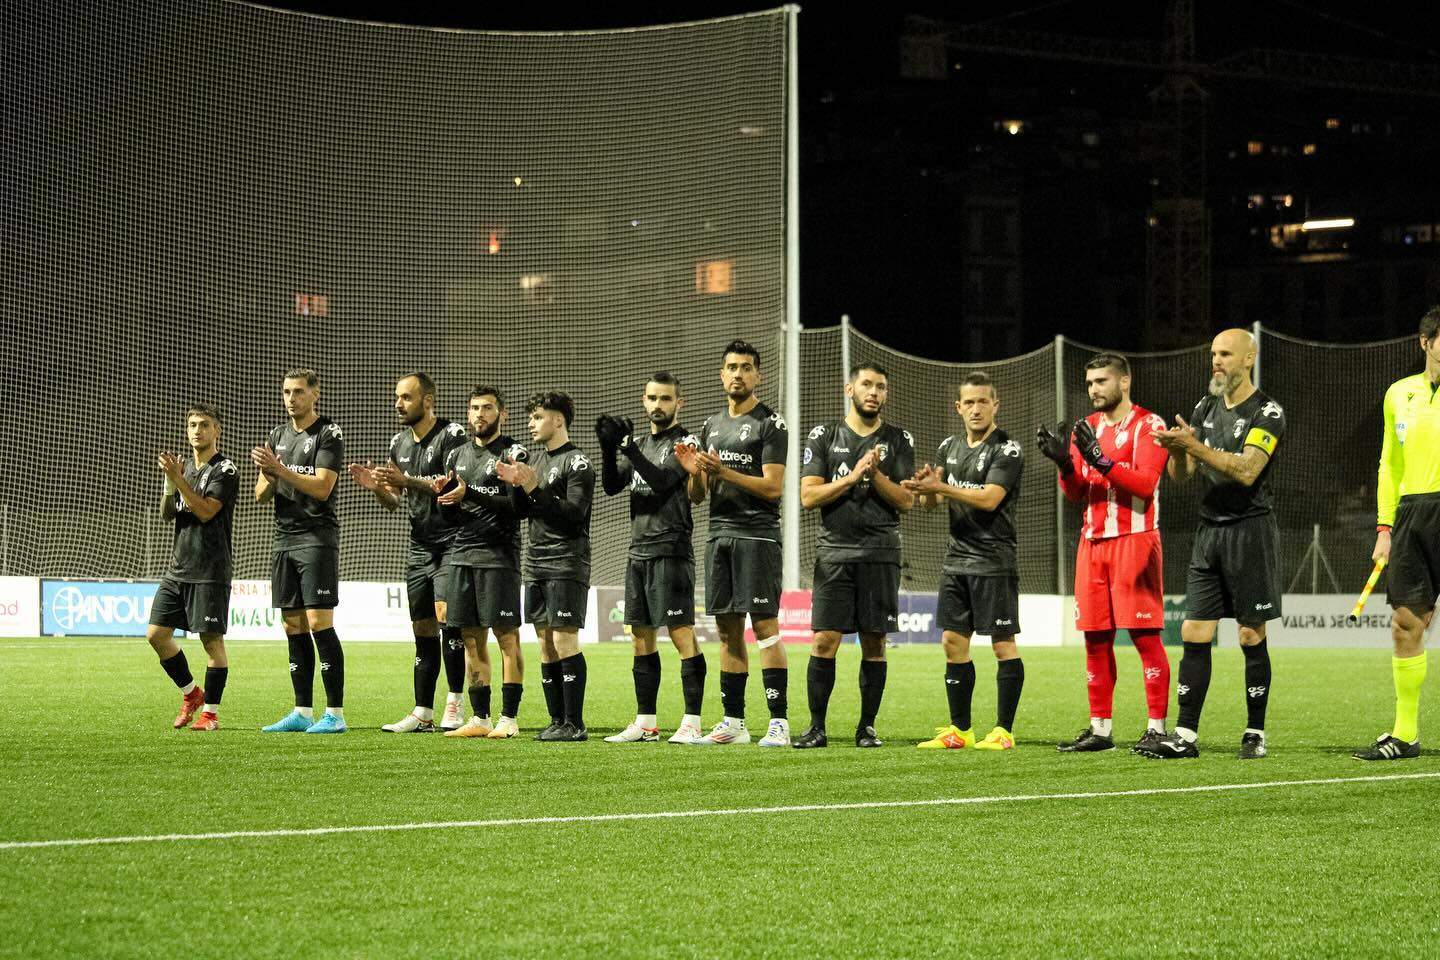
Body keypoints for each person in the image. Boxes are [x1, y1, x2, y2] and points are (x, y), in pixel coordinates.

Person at [1144, 328, 1285, 760]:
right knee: (1194, 630)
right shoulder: (1204, 407)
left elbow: (1246, 470)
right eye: (1213, 354)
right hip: (1209, 532)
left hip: (1249, 532)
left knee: (1249, 633)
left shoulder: (1268, 411)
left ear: (1248, 359)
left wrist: (1194, 446)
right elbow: (1182, 477)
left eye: (1225, 354)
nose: (1217, 361)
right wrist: (1177, 450)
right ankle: (1185, 735)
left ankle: (1255, 733)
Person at [1036, 353, 1171, 753]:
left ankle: (1156, 728)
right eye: (1090, 382)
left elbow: (1145, 484)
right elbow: (1077, 492)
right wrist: (1065, 464)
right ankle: (1100, 730)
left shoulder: (1150, 424)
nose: (1093, 389)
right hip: (1092, 543)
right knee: (1095, 640)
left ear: (1124, 381)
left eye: (1101, 381)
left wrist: (1101, 460)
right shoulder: (1088, 428)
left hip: (1136, 540)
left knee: (1144, 637)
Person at [794, 362, 915, 749]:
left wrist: (875, 475)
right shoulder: (824, 436)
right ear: (850, 389)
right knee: (823, 641)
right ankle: (816, 728)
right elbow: (808, 496)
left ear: (886, 393)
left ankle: (867, 728)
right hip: (835, 553)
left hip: (881, 552)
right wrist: (852, 476)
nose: (873, 392)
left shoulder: (899, 440)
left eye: (880, 386)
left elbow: (906, 500)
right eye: (866, 384)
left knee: (874, 642)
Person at [678, 339, 791, 747]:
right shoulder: (711, 425)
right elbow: (698, 496)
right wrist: (695, 472)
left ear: (758, 375)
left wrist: (723, 471)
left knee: (765, 628)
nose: (738, 374)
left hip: (757, 535)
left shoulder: (771, 424)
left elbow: (773, 487)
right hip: (719, 535)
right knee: (727, 631)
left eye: (746, 367)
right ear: (721, 374)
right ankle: (734, 722)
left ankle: (778, 723)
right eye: (732, 367)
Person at [905, 372, 1025, 751]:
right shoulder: (949, 446)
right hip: (956, 560)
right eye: (969, 403)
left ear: (995, 405)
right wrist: (927, 488)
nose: (976, 409)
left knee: (1002, 645)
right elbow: (932, 504)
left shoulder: (1007, 449)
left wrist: (940, 486)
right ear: (958, 407)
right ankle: (960, 731)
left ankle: (1003, 731)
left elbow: (990, 499)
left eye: (982, 401)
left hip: (993, 560)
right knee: (952, 642)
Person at [350, 373, 469, 733]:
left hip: (453, 541)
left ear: (427, 401)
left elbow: (450, 485)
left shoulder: (452, 435)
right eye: (397, 397)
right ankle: (422, 712)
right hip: (419, 545)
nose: (398, 404)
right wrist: (377, 488)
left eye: (406, 397)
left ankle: (455, 703)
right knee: (422, 627)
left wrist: (407, 481)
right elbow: (394, 501)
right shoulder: (398, 442)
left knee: (448, 620)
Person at [596, 372, 708, 744]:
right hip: (638, 550)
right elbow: (611, 485)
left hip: (671, 549)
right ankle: (645, 723)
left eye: (665, 398)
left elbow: (661, 481)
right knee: (640, 638)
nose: (658, 405)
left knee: (680, 634)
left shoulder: (686, 442)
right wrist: (607, 448)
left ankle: (692, 721)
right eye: (652, 398)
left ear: (679, 403)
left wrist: (628, 449)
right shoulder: (642, 443)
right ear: (644, 401)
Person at [1354, 307, 1440, 760]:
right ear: (1425, 342)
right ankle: (1405, 735)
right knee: (1406, 622)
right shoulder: (1398, 394)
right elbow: (1389, 465)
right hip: (1411, 515)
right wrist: (1385, 527)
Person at [252, 368, 347, 734]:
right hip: (283, 539)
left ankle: (335, 714)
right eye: (286, 392)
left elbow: (323, 487)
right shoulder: (277, 436)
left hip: (316, 537)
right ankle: (302, 711)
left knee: (319, 622)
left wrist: (280, 469)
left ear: (314, 394)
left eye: (298, 392)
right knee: (292, 624)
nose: (291, 398)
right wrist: (269, 474)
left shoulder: (328, 433)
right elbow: (260, 494)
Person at [498, 392, 594, 742]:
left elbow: (573, 515)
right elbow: (521, 512)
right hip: (536, 562)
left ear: (558, 420)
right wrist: (515, 485)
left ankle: (575, 723)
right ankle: (557, 720)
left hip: (566, 562)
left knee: (564, 640)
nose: (531, 423)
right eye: (531, 417)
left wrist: (532, 485)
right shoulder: (536, 461)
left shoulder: (578, 463)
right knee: (545, 643)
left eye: (538, 417)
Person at [435, 386, 528, 740]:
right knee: (471, 639)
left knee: (506, 637)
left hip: (498, 556)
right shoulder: (456, 454)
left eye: (487, 408)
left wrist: (469, 493)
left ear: (502, 414)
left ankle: (509, 718)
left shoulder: (513, 453)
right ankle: (480, 717)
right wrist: (446, 500)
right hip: (461, 554)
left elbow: (518, 508)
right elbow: (451, 516)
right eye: (474, 408)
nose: (479, 414)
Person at [145, 404, 239, 731]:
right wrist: (170, 483)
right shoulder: (185, 470)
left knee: (212, 644)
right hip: (177, 569)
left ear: (217, 431)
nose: (197, 430)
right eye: (192, 425)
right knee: (156, 635)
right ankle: (191, 693)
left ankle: (210, 714)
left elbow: (205, 511)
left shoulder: (225, 470)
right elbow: (166, 514)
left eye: (204, 425)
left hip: (210, 570)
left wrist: (178, 479)